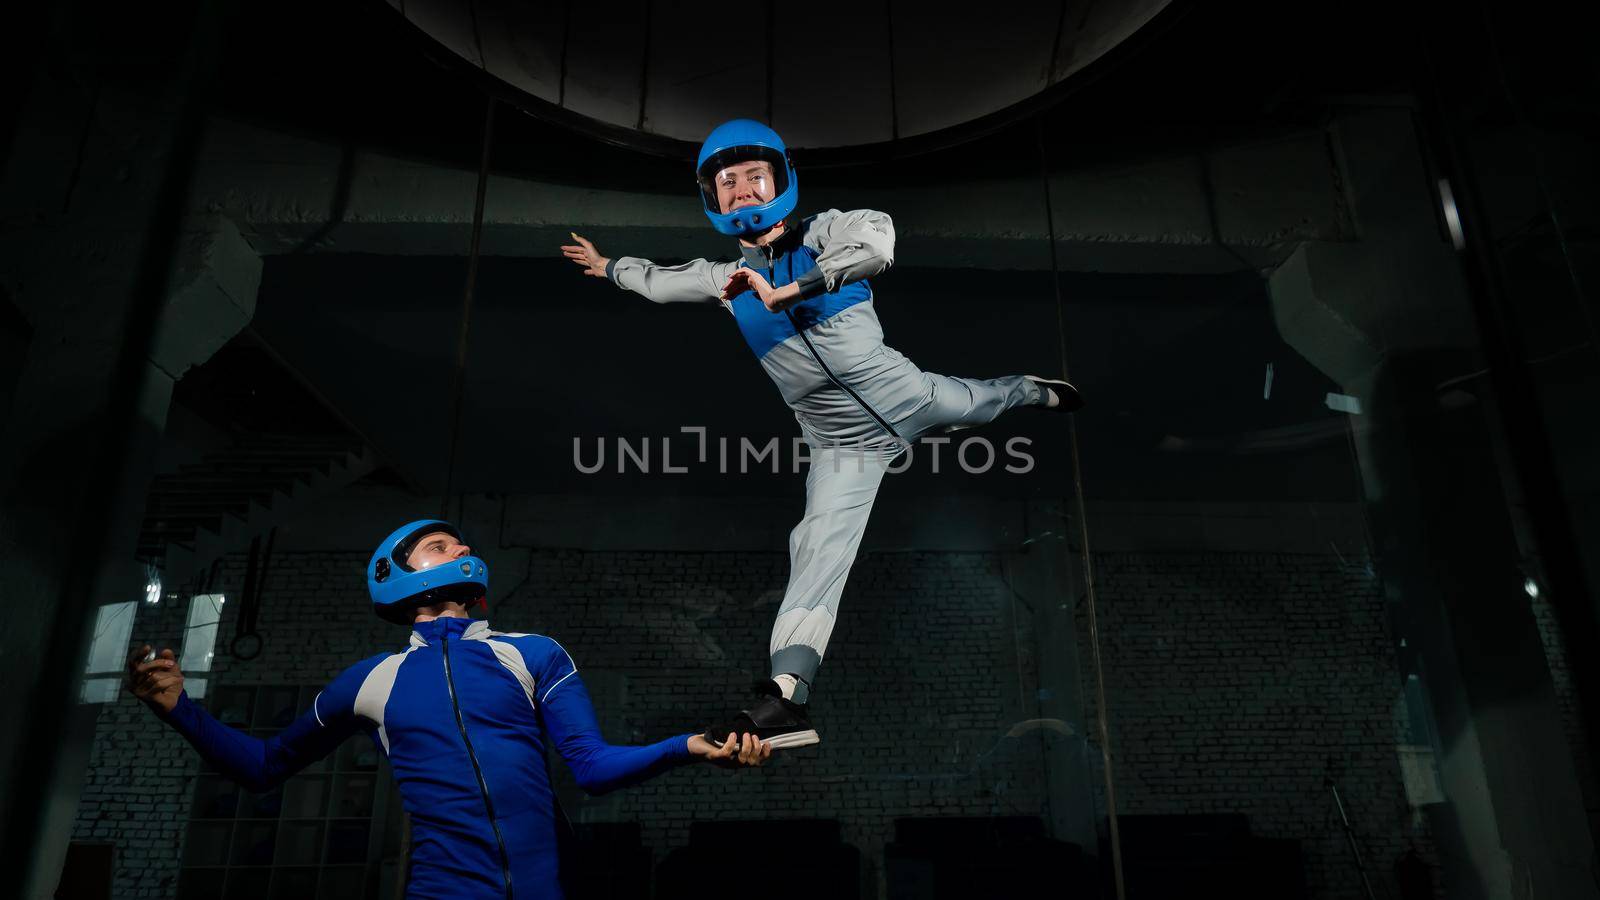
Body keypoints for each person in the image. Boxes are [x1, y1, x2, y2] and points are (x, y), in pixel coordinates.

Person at [561, 118, 1083, 750]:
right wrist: (609, 265)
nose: (742, 190)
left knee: (976, 402)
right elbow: (660, 281)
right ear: (711, 197)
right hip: (843, 445)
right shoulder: (723, 279)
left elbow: (878, 245)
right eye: (727, 183)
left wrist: (791, 290)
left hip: (905, 394)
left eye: (755, 176)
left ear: (781, 179)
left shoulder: (828, 232)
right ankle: (786, 694)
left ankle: (1029, 388)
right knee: (816, 550)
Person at [126, 519, 769, 899]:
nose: (461, 549)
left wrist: (689, 746)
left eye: (461, 544)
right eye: (440, 544)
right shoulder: (369, 681)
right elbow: (263, 765)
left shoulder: (535, 654)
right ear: (395, 573)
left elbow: (593, 769)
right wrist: (179, 708)